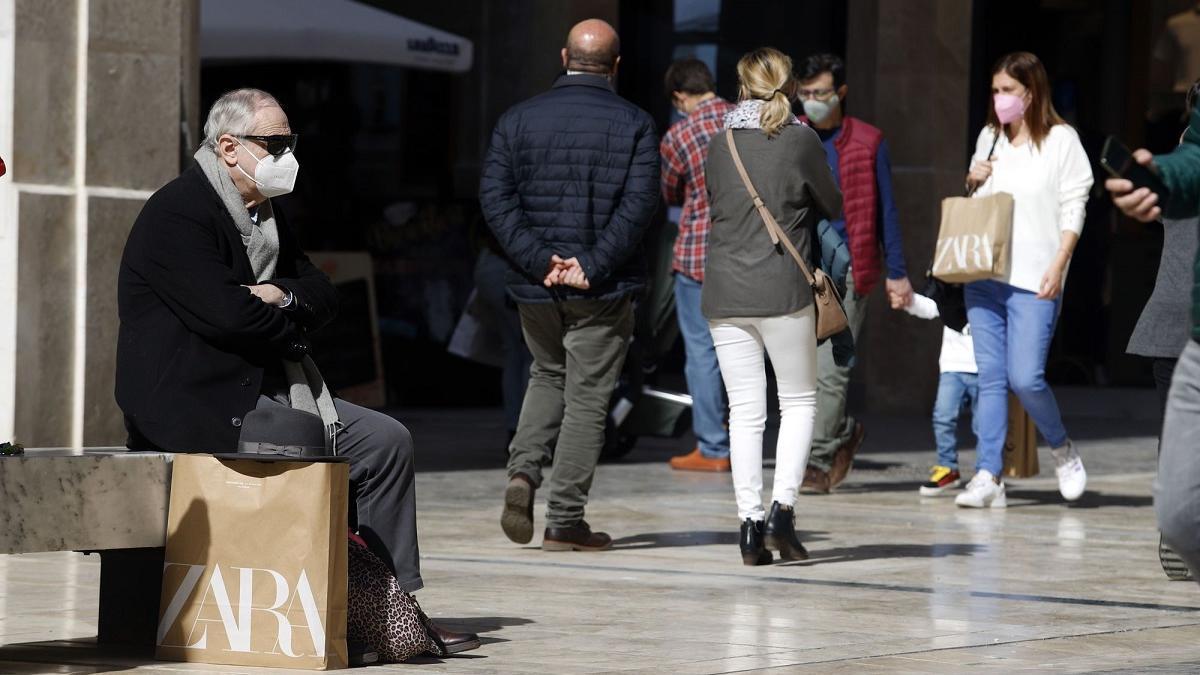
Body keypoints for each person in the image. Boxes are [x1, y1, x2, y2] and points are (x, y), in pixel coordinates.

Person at [115, 89, 478, 653]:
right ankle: (327, 608)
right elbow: (228, 317)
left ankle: (391, 607)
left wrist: (278, 295)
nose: (289, 155)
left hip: (269, 387)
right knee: (300, 435)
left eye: (291, 142)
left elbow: (323, 293)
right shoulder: (178, 213)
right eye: (276, 143)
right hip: (196, 399)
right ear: (229, 147)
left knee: (386, 440)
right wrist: (286, 315)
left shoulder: (269, 216)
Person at [480, 19, 659, 552]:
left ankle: (523, 474)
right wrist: (593, 264)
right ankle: (564, 518)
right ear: (616, 65)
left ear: (564, 56)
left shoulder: (517, 120)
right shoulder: (636, 123)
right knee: (586, 399)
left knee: (546, 374)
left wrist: (539, 260)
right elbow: (640, 204)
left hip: (538, 285)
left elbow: (495, 198)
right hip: (600, 290)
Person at [702, 47, 842, 565]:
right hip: (783, 288)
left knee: (744, 413)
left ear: (741, 85)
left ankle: (748, 525)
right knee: (800, 402)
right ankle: (783, 514)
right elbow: (833, 202)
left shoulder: (720, 143)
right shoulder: (801, 139)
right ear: (787, 85)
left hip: (725, 291)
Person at [956, 52, 1093, 509]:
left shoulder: (1061, 141)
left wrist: (1060, 262)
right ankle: (989, 474)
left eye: (1008, 91)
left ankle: (1061, 449)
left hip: (1036, 276)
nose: (999, 100)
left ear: (1030, 93)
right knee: (990, 379)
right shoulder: (990, 138)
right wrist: (973, 180)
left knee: (1026, 377)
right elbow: (976, 207)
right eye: (995, 91)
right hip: (984, 275)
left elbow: (1075, 206)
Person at [795, 53, 913, 494]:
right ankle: (840, 432)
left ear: (840, 93)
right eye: (804, 94)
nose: (811, 102)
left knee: (830, 371)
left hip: (849, 271)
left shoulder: (868, 141)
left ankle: (819, 462)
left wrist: (897, 273)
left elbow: (888, 211)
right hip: (798, 270)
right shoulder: (794, 136)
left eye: (820, 93)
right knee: (801, 371)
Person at [1106, 94, 1200, 581]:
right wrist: (1159, 180)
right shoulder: (1188, 154)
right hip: (1176, 321)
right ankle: (1176, 537)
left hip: (1174, 319)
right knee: (1180, 471)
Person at [659, 57, 736, 472]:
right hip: (746, 256)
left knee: (702, 352)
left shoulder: (679, 133)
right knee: (744, 349)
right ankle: (743, 440)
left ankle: (712, 447)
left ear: (678, 96)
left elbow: (669, 193)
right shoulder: (744, 121)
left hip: (696, 257)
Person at [1127, 80, 1200, 413]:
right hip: (1174, 327)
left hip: (1172, 325)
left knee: (1176, 448)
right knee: (1176, 451)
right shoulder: (1179, 177)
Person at [903, 294, 978, 496]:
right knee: (943, 416)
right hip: (952, 365)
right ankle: (948, 468)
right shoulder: (953, 286)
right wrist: (909, 299)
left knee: (985, 424)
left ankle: (985, 472)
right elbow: (933, 306)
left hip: (985, 367)